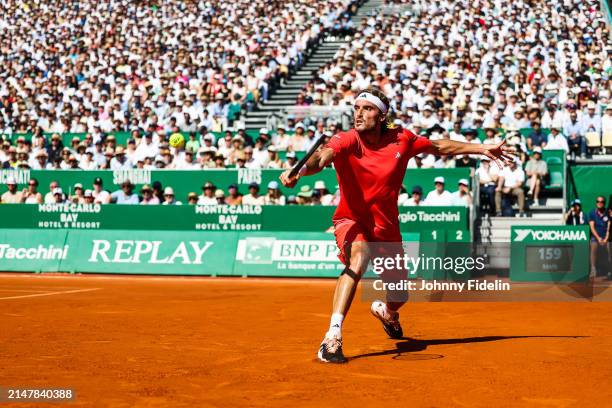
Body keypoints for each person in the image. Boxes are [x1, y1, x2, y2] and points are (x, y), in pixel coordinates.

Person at [279, 87, 513, 363]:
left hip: (386, 228)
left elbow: (439, 146)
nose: (359, 114)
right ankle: (332, 336)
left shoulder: (402, 139)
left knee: (399, 294)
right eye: (356, 108)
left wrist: (482, 148)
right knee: (359, 257)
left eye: (367, 109)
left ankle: (388, 314)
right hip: (351, 220)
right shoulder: (346, 139)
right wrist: (301, 171)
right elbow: (322, 157)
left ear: (381, 116)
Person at [588, 196, 610, 278]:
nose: (600, 203)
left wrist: (606, 239)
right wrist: (598, 238)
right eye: (598, 201)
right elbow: (592, 228)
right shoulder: (592, 213)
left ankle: (609, 270)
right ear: (596, 202)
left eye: (602, 202)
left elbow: (609, 227)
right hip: (596, 236)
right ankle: (593, 269)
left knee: (609, 248)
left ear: (604, 203)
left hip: (607, 236)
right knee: (593, 245)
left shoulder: (608, 212)